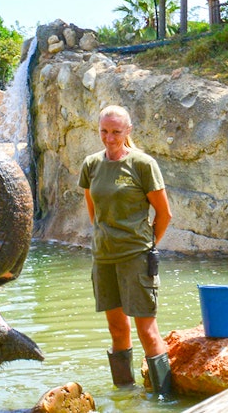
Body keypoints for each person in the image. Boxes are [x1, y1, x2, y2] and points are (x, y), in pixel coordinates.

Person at [78, 104, 174, 398]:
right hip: (103, 258)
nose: (109, 138)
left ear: (128, 131)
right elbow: (93, 212)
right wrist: (106, 239)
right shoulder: (91, 165)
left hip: (136, 257)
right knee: (117, 330)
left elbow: (164, 214)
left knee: (147, 331)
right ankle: (125, 395)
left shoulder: (142, 164)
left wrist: (144, 245)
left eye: (116, 132)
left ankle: (164, 398)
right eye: (104, 131)